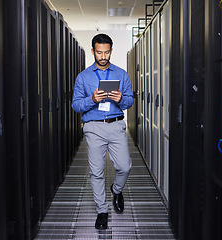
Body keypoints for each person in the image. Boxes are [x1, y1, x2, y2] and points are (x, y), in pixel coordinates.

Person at [71, 33, 134, 230]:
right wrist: (92, 99)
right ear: (93, 52)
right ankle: (102, 211)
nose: (103, 56)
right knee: (96, 172)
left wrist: (120, 98)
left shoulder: (121, 74)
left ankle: (116, 190)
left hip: (116, 125)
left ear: (111, 51)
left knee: (124, 166)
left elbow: (130, 101)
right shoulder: (83, 77)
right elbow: (75, 105)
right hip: (94, 128)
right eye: (99, 52)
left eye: (107, 52)